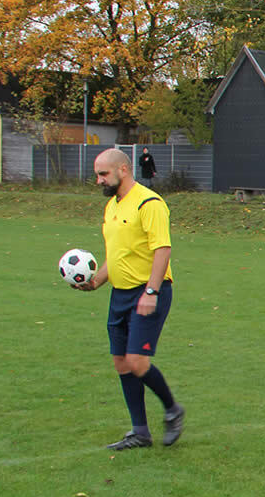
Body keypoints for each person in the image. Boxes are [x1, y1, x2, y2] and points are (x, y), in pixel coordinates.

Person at [74, 148, 184, 450]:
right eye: (97, 174)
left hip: (147, 292)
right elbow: (117, 254)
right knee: (122, 362)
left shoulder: (150, 203)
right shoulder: (111, 206)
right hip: (119, 294)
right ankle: (140, 432)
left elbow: (162, 249)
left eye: (103, 174)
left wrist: (151, 291)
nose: (98, 180)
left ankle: (173, 410)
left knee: (137, 361)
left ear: (123, 169)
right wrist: (97, 280)